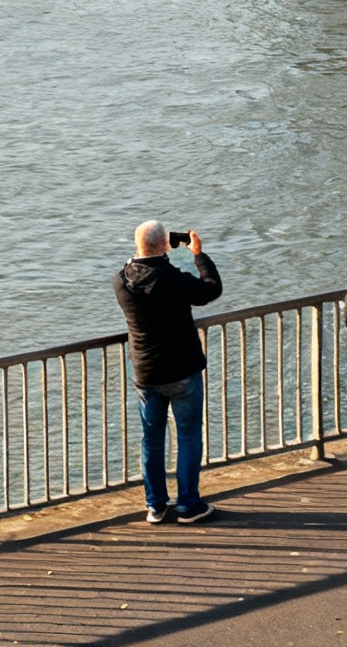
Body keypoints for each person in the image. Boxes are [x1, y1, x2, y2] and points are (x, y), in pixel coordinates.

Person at [114, 221, 223, 525]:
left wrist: (151, 253)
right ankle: (188, 505)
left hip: (146, 373)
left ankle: (155, 506)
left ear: (136, 245)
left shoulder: (120, 282)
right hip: (182, 370)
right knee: (188, 435)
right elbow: (211, 289)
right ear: (165, 245)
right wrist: (198, 254)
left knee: (151, 439)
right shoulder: (173, 279)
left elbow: (138, 272)